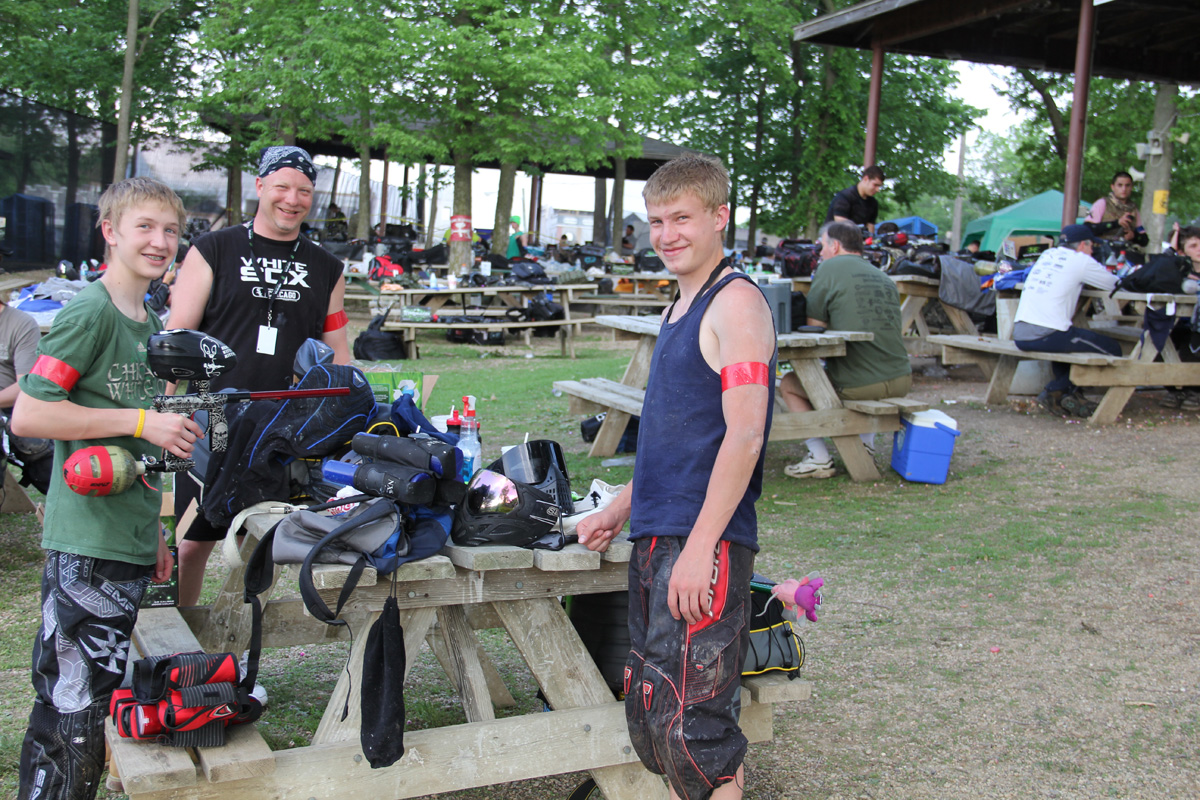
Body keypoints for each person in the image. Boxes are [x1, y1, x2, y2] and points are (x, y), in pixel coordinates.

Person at [576, 155, 775, 800]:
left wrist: (701, 548)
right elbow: (676, 442)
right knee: (662, 712)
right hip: (659, 535)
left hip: (702, 542)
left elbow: (745, 436)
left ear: (720, 217)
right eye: (656, 221)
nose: (666, 235)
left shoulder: (736, 303)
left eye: (681, 218)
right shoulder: (678, 307)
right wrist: (620, 507)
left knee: (697, 729)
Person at [13, 177, 202, 800]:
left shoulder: (149, 319)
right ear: (110, 231)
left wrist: (152, 531)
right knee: (70, 703)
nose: (159, 241)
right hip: (85, 543)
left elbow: (134, 450)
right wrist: (143, 421)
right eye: (144, 226)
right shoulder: (90, 311)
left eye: (170, 231)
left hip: (126, 537)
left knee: (94, 696)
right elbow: (30, 415)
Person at [168, 145, 350, 608]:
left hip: (283, 431)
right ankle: (179, 639)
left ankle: (242, 646)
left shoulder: (327, 268)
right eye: (282, 187)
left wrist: (349, 413)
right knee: (190, 545)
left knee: (263, 546)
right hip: (209, 422)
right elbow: (177, 338)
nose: (292, 199)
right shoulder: (213, 250)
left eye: (304, 191)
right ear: (260, 186)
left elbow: (340, 357)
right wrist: (163, 414)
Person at [779, 221, 911, 479]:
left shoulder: (829, 268)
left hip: (860, 383)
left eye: (822, 246)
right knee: (860, 370)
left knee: (789, 383)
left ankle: (819, 457)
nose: (820, 253)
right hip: (901, 379)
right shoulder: (884, 277)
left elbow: (814, 330)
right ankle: (866, 447)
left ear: (835, 246)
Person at [1011, 224, 1121, 417]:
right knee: (1114, 349)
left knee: (1068, 343)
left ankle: (1066, 395)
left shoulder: (1047, 255)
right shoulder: (1081, 261)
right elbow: (1115, 284)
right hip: (1046, 333)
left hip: (1020, 332)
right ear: (1083, 245)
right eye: (1092, 246)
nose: (1093, 251)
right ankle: (1053, 391)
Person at [1160, 223, 1200, 410]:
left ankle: (1194, 391)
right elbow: (1162, 264)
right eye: (1194, 246)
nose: (1199, 249)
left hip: (1195, 329)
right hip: (1177, 323)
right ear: (1182, 251)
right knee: (1161, 339)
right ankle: (1175, 390)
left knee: (1190, 343)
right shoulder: (1176, 272)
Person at [1084, 171, 1148, 256]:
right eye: (1120, 185)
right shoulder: (1102, 203)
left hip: (1124, 254)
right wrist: (1116, 223)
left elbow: (1144, 240)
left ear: (1131, 187)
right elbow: (1088, 229)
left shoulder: (1134, 209)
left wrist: (1134, 236)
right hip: (1101, 252)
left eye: (1127, 185)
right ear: (1112, 187)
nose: (1124, 189)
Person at [825, 165, 885, 234]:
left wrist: (870, 238)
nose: (878, 190)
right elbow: (841, 226)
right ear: (866, 179)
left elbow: (870, 229)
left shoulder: (873, 203)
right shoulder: (844, 197)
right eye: (875, 185)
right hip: (833, 238)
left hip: (857, 239)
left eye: (879, 186)